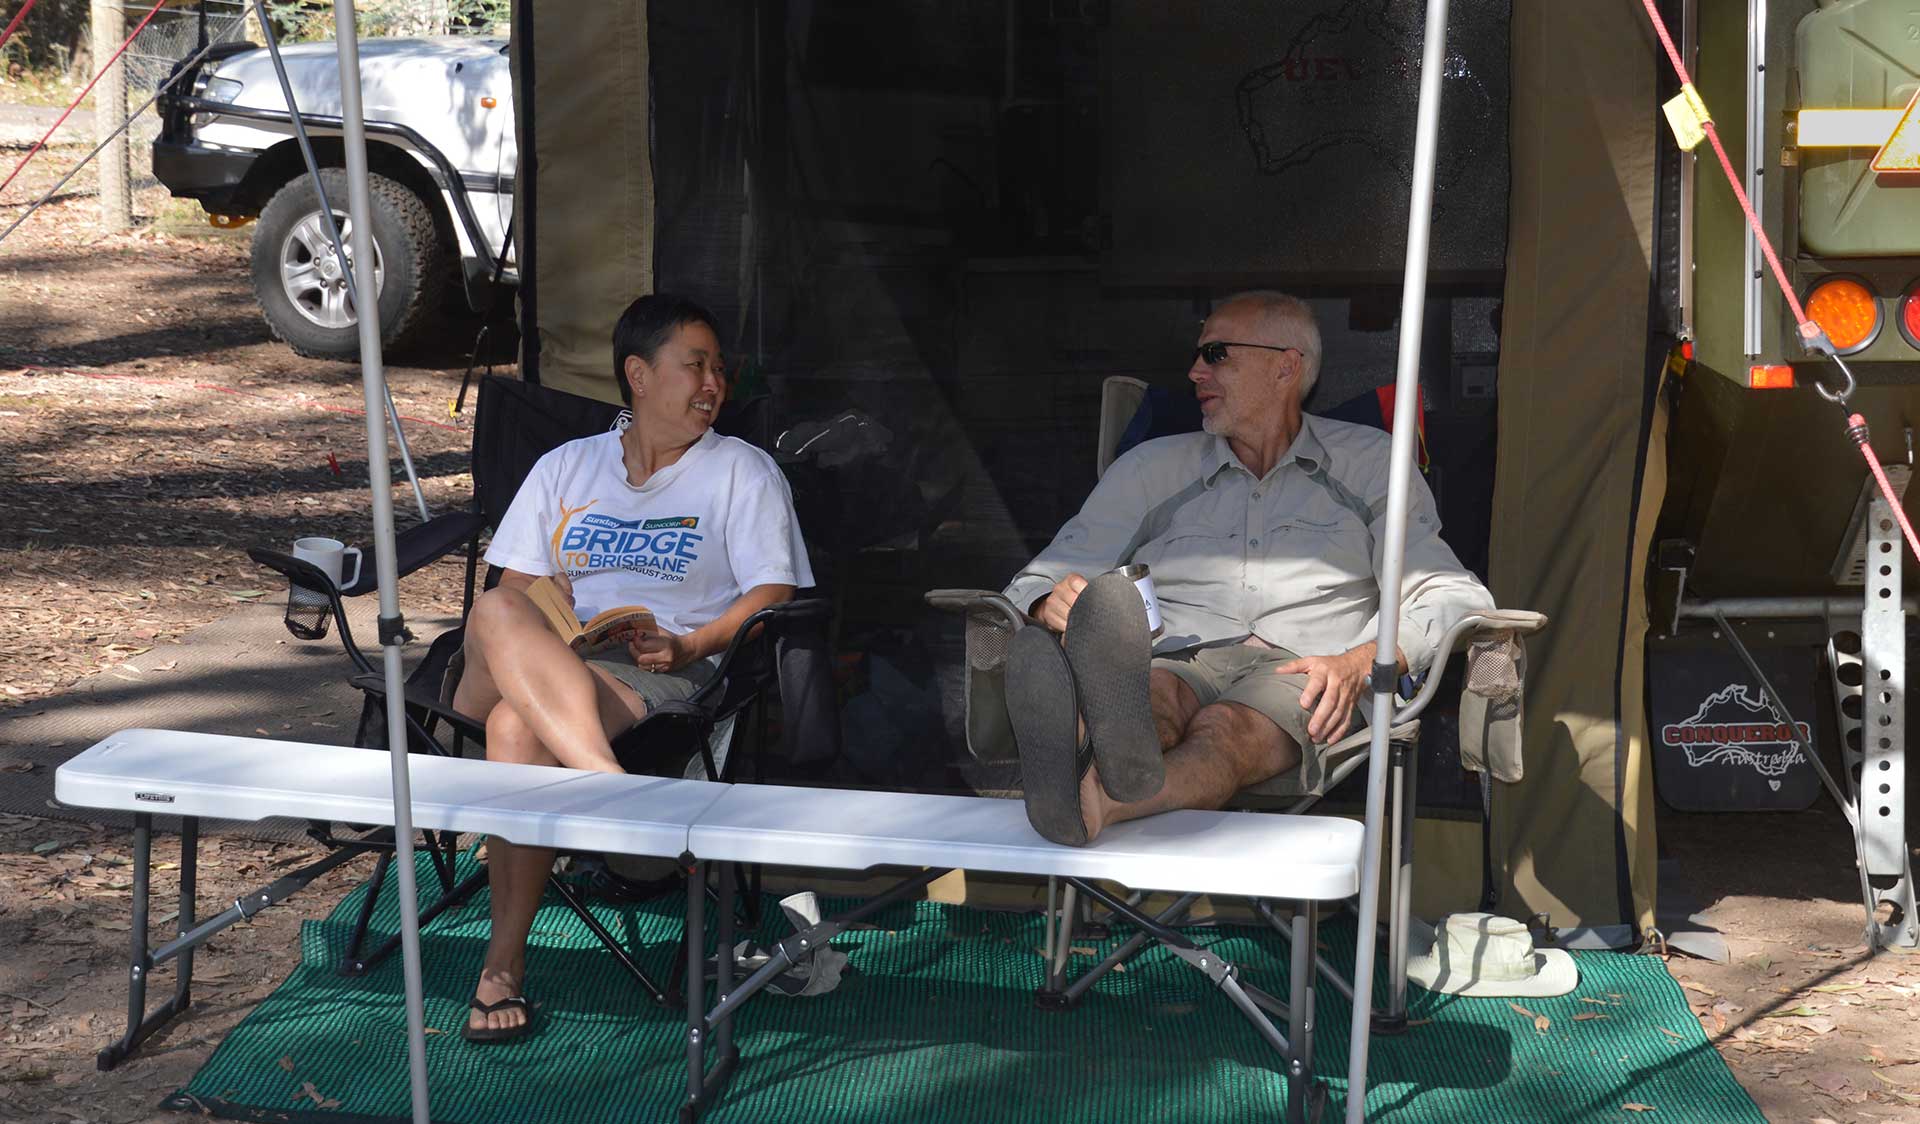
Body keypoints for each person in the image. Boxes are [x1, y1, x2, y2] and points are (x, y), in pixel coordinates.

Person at [1001, 291, 1493, 846]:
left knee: (1224, 729)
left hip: (1307, 670)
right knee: (1155, 701)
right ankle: (1091, 738)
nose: (1194, 372)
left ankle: (1092, 793)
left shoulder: (1370, 462)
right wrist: (1048, 602)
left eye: (1215, 354)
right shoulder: (1152, 466)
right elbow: (1040, 576)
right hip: (1177, 653)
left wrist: (1362, 661)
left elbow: (1451, 592)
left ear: (1285, 366)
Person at [451, 293, 813, 1040]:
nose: (714, 383)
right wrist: (563, 625)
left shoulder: (741, 472)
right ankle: (615, 795)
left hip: (653, 669)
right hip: (531, 654)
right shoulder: (567, 466)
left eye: (720, 368)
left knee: (519, 729)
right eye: (696, 365)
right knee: (494, 611)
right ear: (639, 376)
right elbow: (512, 589)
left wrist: (687, 645)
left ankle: (501, 968)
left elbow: (773, 592)